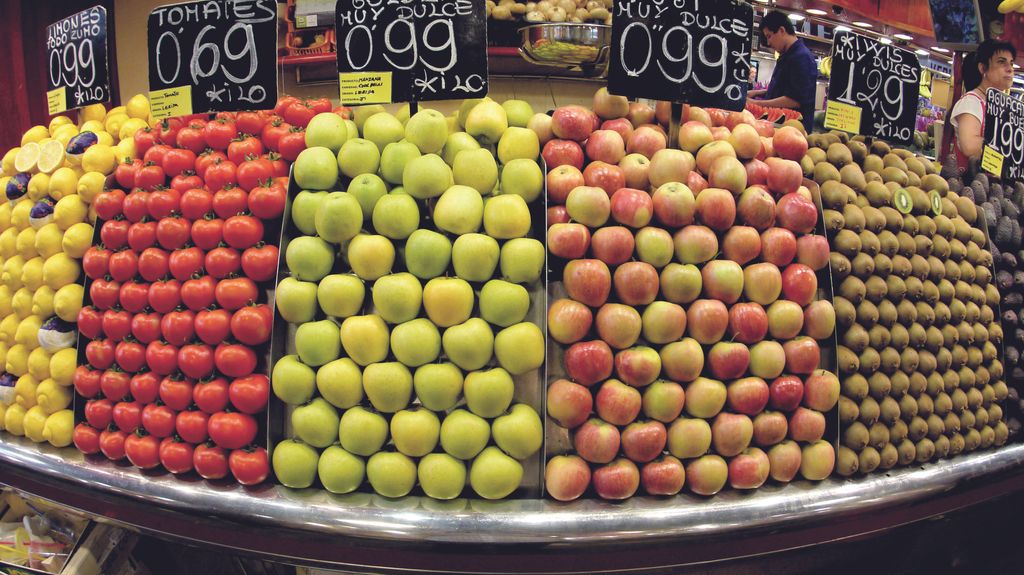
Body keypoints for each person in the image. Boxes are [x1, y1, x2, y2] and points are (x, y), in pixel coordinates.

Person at [950, 39, 1017, 170]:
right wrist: (1011, 148)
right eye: (1001, 62)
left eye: (1011, 63)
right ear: (983, 68)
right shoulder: (971, 102)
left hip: (996, 187)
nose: (1010, 69)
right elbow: (969, 146)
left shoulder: (1003, 108)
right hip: (969, 186)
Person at [747, 10, 818, 133]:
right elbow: (785, 89)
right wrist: (757, 92)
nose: (768, 42)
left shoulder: (802, 57)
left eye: (769, 36)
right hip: (779, 127)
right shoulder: (788, 55)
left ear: (781, 30)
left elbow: (795, 100)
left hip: (792, 131)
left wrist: (756, 104)